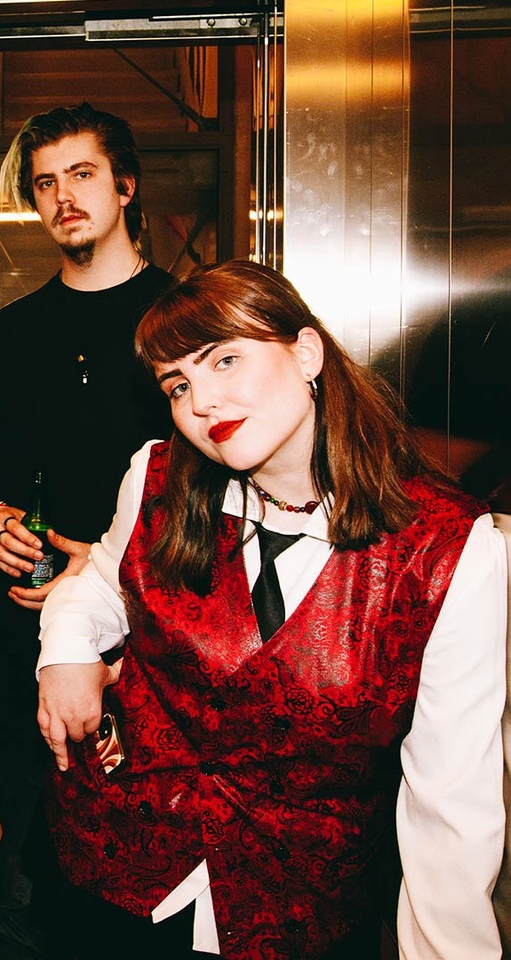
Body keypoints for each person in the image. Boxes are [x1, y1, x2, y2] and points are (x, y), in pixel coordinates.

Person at [37, 259, 506, 958]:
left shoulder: (447, 548)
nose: (202, 401)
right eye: (178, 384)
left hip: (300, 913)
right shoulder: (157, 477)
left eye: (224, 360)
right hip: (118, 873)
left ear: (307, 353)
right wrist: (66, 649)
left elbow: (451, 802)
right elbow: (104, 578)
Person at [0, 102, 173, 958]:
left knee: (130, 858)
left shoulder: (183, 323)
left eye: (82, 174)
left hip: (142, 639)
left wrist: (106, 566)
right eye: (45, 183)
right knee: (32, 833)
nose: (63, 196)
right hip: (12, 631)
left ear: (125, 186)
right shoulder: (9, 332)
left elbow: (225, 488)